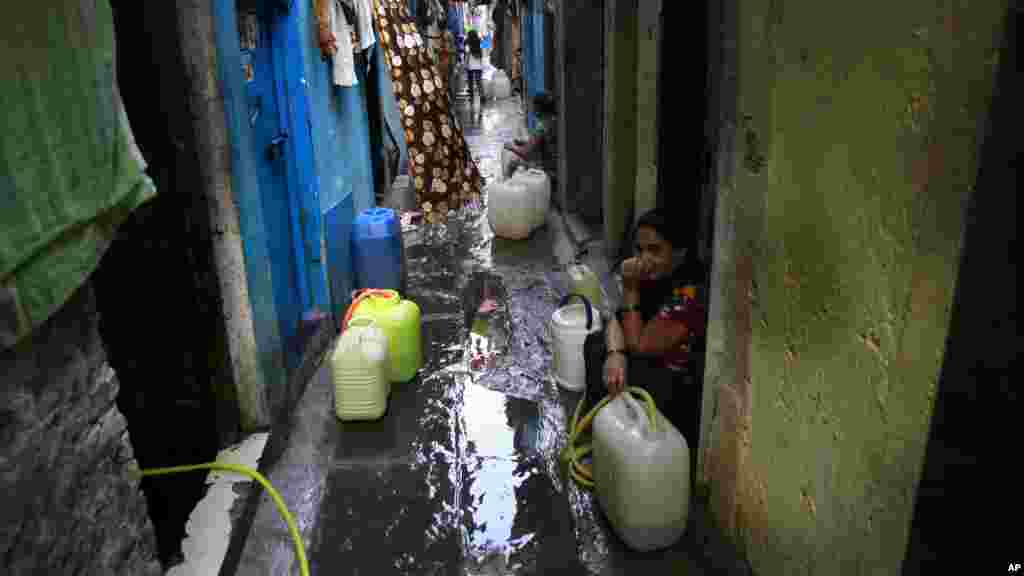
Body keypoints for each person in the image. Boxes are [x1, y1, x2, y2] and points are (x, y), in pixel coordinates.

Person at [582, 209, 707, 447]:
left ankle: (623, 445)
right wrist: (615, 355)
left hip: (676, 385)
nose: (644, 259)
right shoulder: (654, 278)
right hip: (648, 362)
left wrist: (630, 287)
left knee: (610, 358)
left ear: (680, 253)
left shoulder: (690, 295)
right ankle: (602, 437)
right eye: (640, 250)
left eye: (655, 250)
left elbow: (639, 345)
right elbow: (616, 320)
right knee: (598, 344)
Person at [503, 92, 556, 178]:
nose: (532, 109)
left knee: (513, 161)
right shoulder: (554, 121)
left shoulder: (542, 126)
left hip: (548, 169)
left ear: (538, 108)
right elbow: (540, 144)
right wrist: (524, 142)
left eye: (533, 107)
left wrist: (511, 147)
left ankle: (506, 185)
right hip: (555, 165)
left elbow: (526, 154)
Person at [465, 30, 484, 106]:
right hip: (478, 66)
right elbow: (481, 54)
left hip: (470, 65)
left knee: (470, 82)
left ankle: (471, 95)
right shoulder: (478, 42)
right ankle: (482, 95)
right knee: (479, 82)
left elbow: (467, 54)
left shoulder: (468, 44)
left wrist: (465, 64)